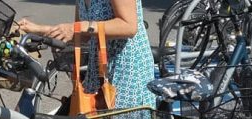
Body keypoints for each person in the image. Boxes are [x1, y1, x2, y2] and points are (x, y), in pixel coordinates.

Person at [17, 0, 156, 111]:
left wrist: (81, 26)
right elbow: (80, 34)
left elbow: (129, 26)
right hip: (99, 71)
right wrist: (37, 30)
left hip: (127, 71)